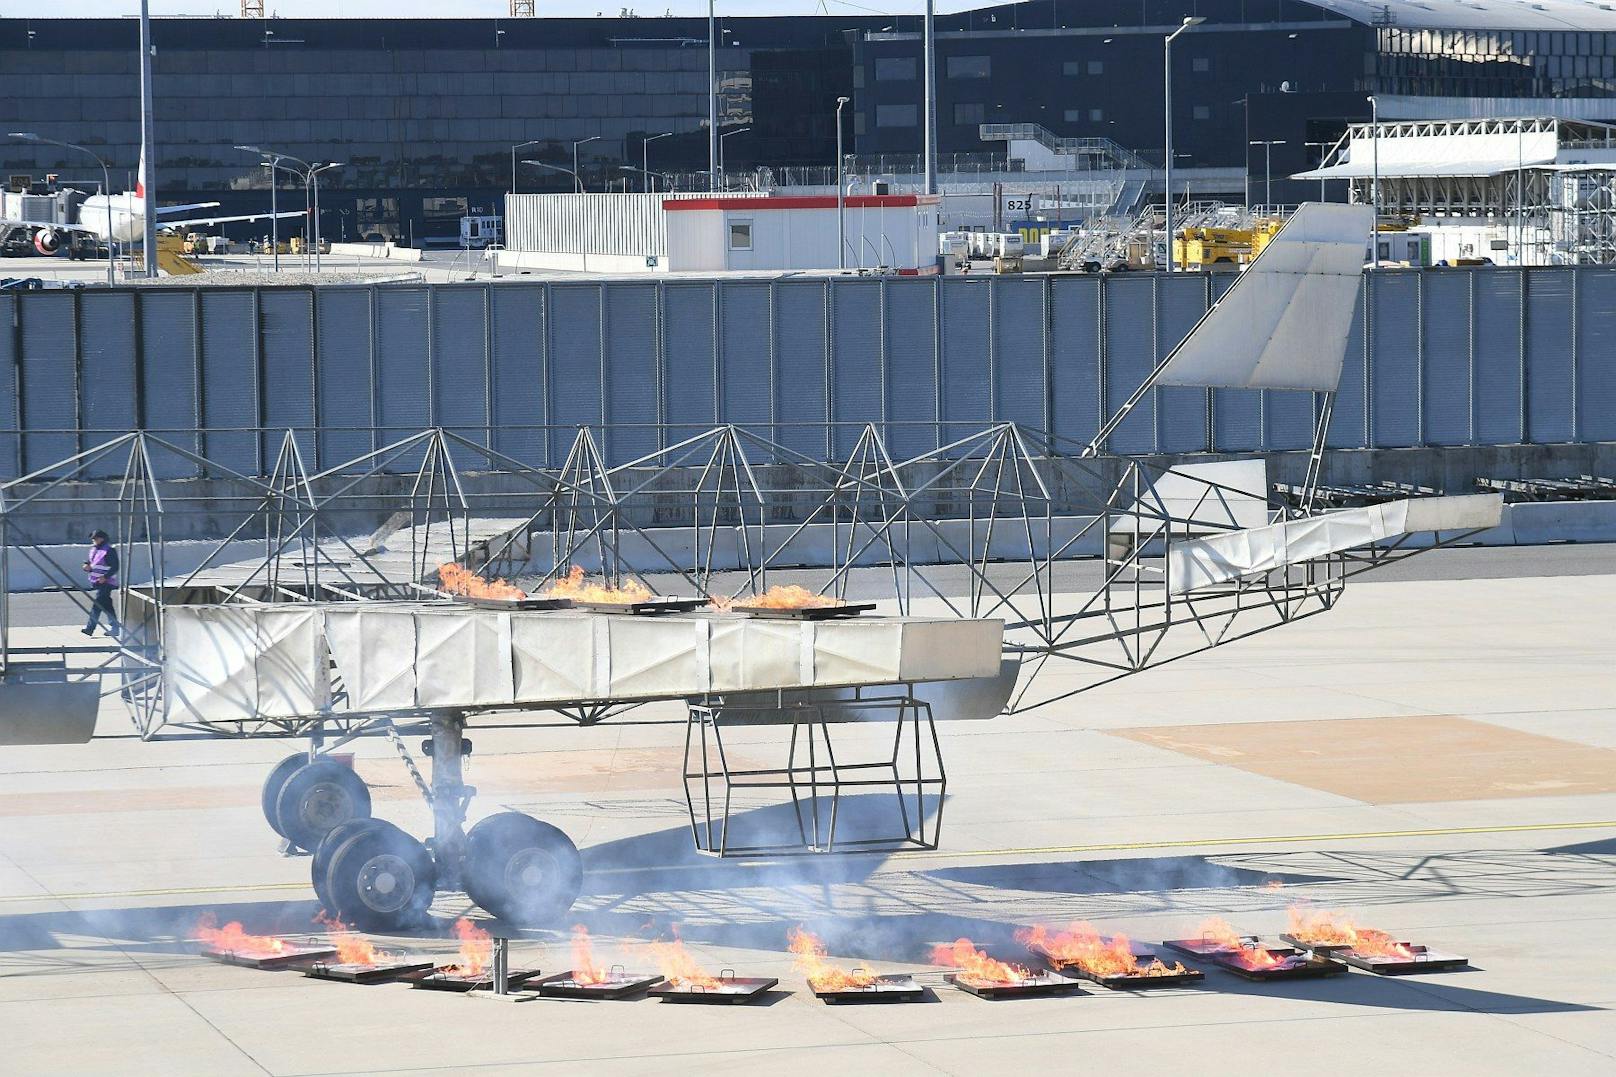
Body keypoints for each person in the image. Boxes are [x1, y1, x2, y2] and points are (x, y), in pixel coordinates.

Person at [81, 530, 121, 639]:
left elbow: (115, 567)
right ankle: (115, 628)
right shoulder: (94, 550)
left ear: (102, 538)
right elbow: (90, 561)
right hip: (97, 582)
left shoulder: (109, 550)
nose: (93, 540)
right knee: (107, 605)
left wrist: (105, 577)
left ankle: (90, 628)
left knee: (97, 605)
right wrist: (86, 566)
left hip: (107, 582)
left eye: (96, 538)